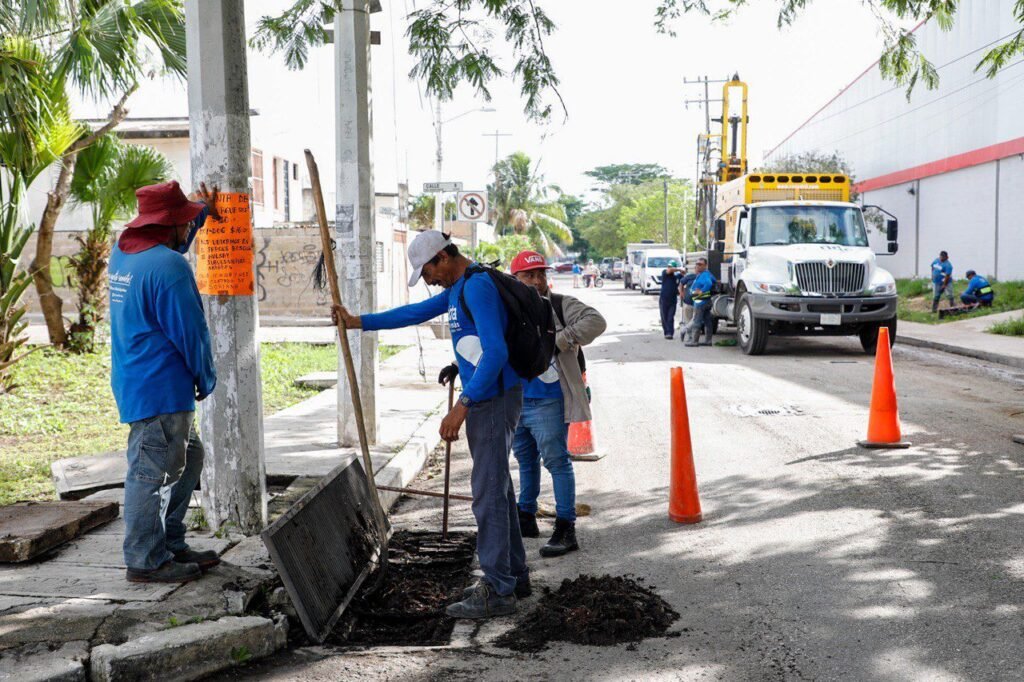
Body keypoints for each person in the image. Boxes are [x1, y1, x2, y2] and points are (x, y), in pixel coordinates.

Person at [331, 231, 527, 619]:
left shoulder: (477, 287)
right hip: (489, 398)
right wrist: (357, 322)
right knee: (497, 490)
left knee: (487, 494)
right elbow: (413, 313)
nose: (428, 279)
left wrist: (462, 406)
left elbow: (496, 352)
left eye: (427, 271)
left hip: (491, 400)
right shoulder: (459, 289)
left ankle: (498, 590)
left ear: (443, 257)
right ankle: (512, 576)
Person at [108, 180, 222, 584]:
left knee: (190, 456)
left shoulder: (123, 254)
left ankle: (170, 542)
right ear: (170, 224)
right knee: (149, 474)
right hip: (162, 387)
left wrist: (201, 210)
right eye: (185, 221)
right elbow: (191, 332)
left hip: (135, 379)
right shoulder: (170, 268)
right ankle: (145, 559)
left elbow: (174, 241)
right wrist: (206, 376)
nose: (190, 228)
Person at [508, 251, 607, 558]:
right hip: (516, 399)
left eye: (541, 274)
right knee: (525, 460)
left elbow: (596, 321)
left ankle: (566, 528)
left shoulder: (561, 304)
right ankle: (526, 515)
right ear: (514, 279)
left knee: (557, 462)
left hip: (549, 400)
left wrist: (559, 340)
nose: (537, 280)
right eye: (529, 275)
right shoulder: (508, 307)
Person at [684, 257, 716, 347]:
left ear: (705, 266)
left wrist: (702, 291)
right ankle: (708, 341)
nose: (698, 266)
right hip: (705, 301)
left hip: (701, 301)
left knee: (696, 321)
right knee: (707, 321)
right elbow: (713, 280)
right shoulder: (705, 274)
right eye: (697, 264)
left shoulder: (705, 274)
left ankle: (694, 341)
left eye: (700, 264)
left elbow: (709, 283)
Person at [658, 260, 683, 339]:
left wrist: (683, 273)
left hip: (673, 299)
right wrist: (679, 269)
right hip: (664, 299)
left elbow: (683, 278)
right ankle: (666, 332)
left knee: (670, 316)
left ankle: (670, 333)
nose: (669, 268)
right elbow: (669, 270)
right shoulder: (665, 273)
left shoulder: (676, 277)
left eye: (671, 267)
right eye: (668, 266)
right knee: (664, 317)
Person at [678, 267, 698, 342]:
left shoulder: (704, 278)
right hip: (688, 302)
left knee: (695, 320)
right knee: (688, 320)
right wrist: (681, 293)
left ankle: (686, 332)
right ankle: (690, 337)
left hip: (698, 303)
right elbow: (681, 283)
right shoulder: (691, 276)